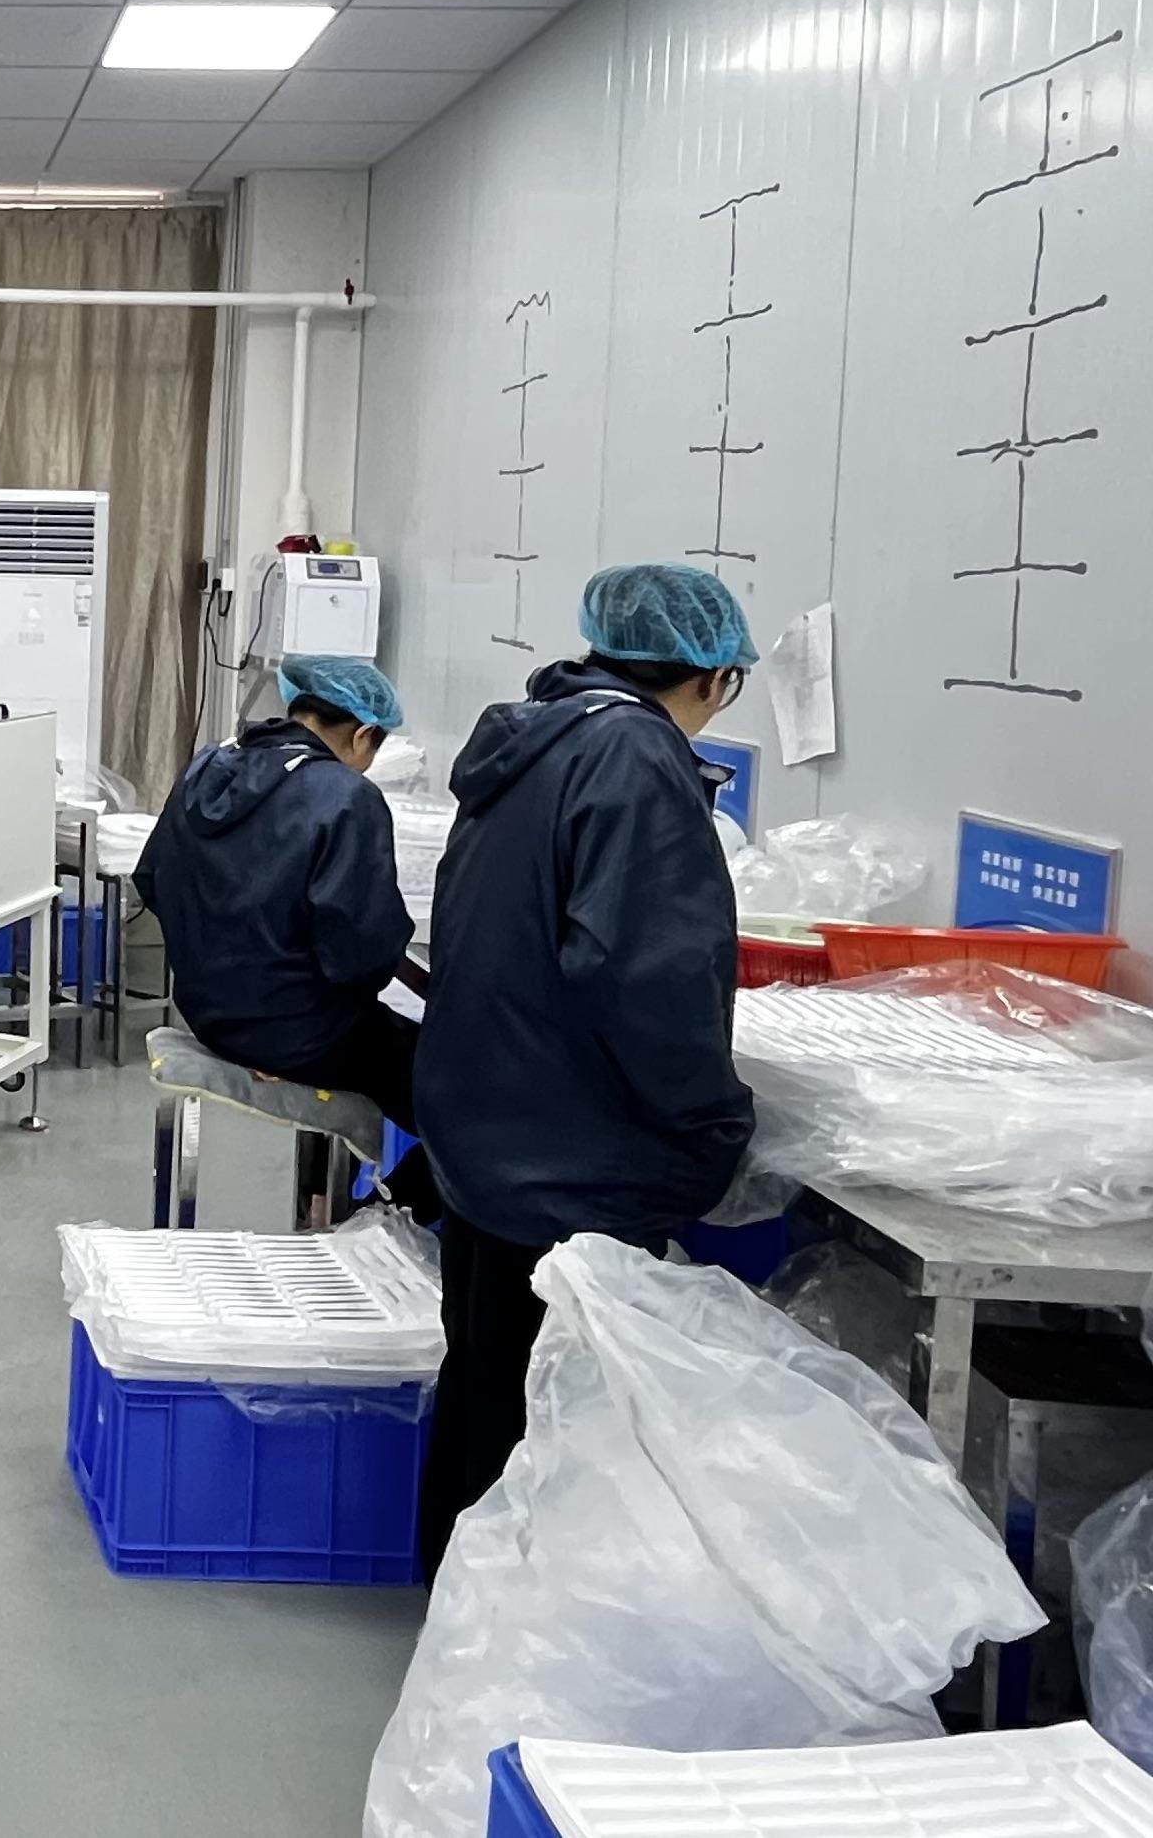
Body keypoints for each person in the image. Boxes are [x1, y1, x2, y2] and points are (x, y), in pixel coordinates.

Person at [410, 561, 760, 1578]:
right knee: (546, 1404)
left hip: (484, 1120)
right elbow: (650, 977)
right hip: (567, 1147)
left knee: (485, 1375)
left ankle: (458, 1596)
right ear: (713, 678)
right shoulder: (636, 759)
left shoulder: (538, 736)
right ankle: (516, 1617)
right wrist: (712, 1123)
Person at [131, 653, 419, 1210]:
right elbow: (360, 956)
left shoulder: (210, 765)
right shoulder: (346, 797)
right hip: (298, 1035)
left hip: (205, 1010)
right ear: (363, 735)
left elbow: (151, 879)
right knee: (452, 1079)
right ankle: (401, 1216)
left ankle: (328, 1202)